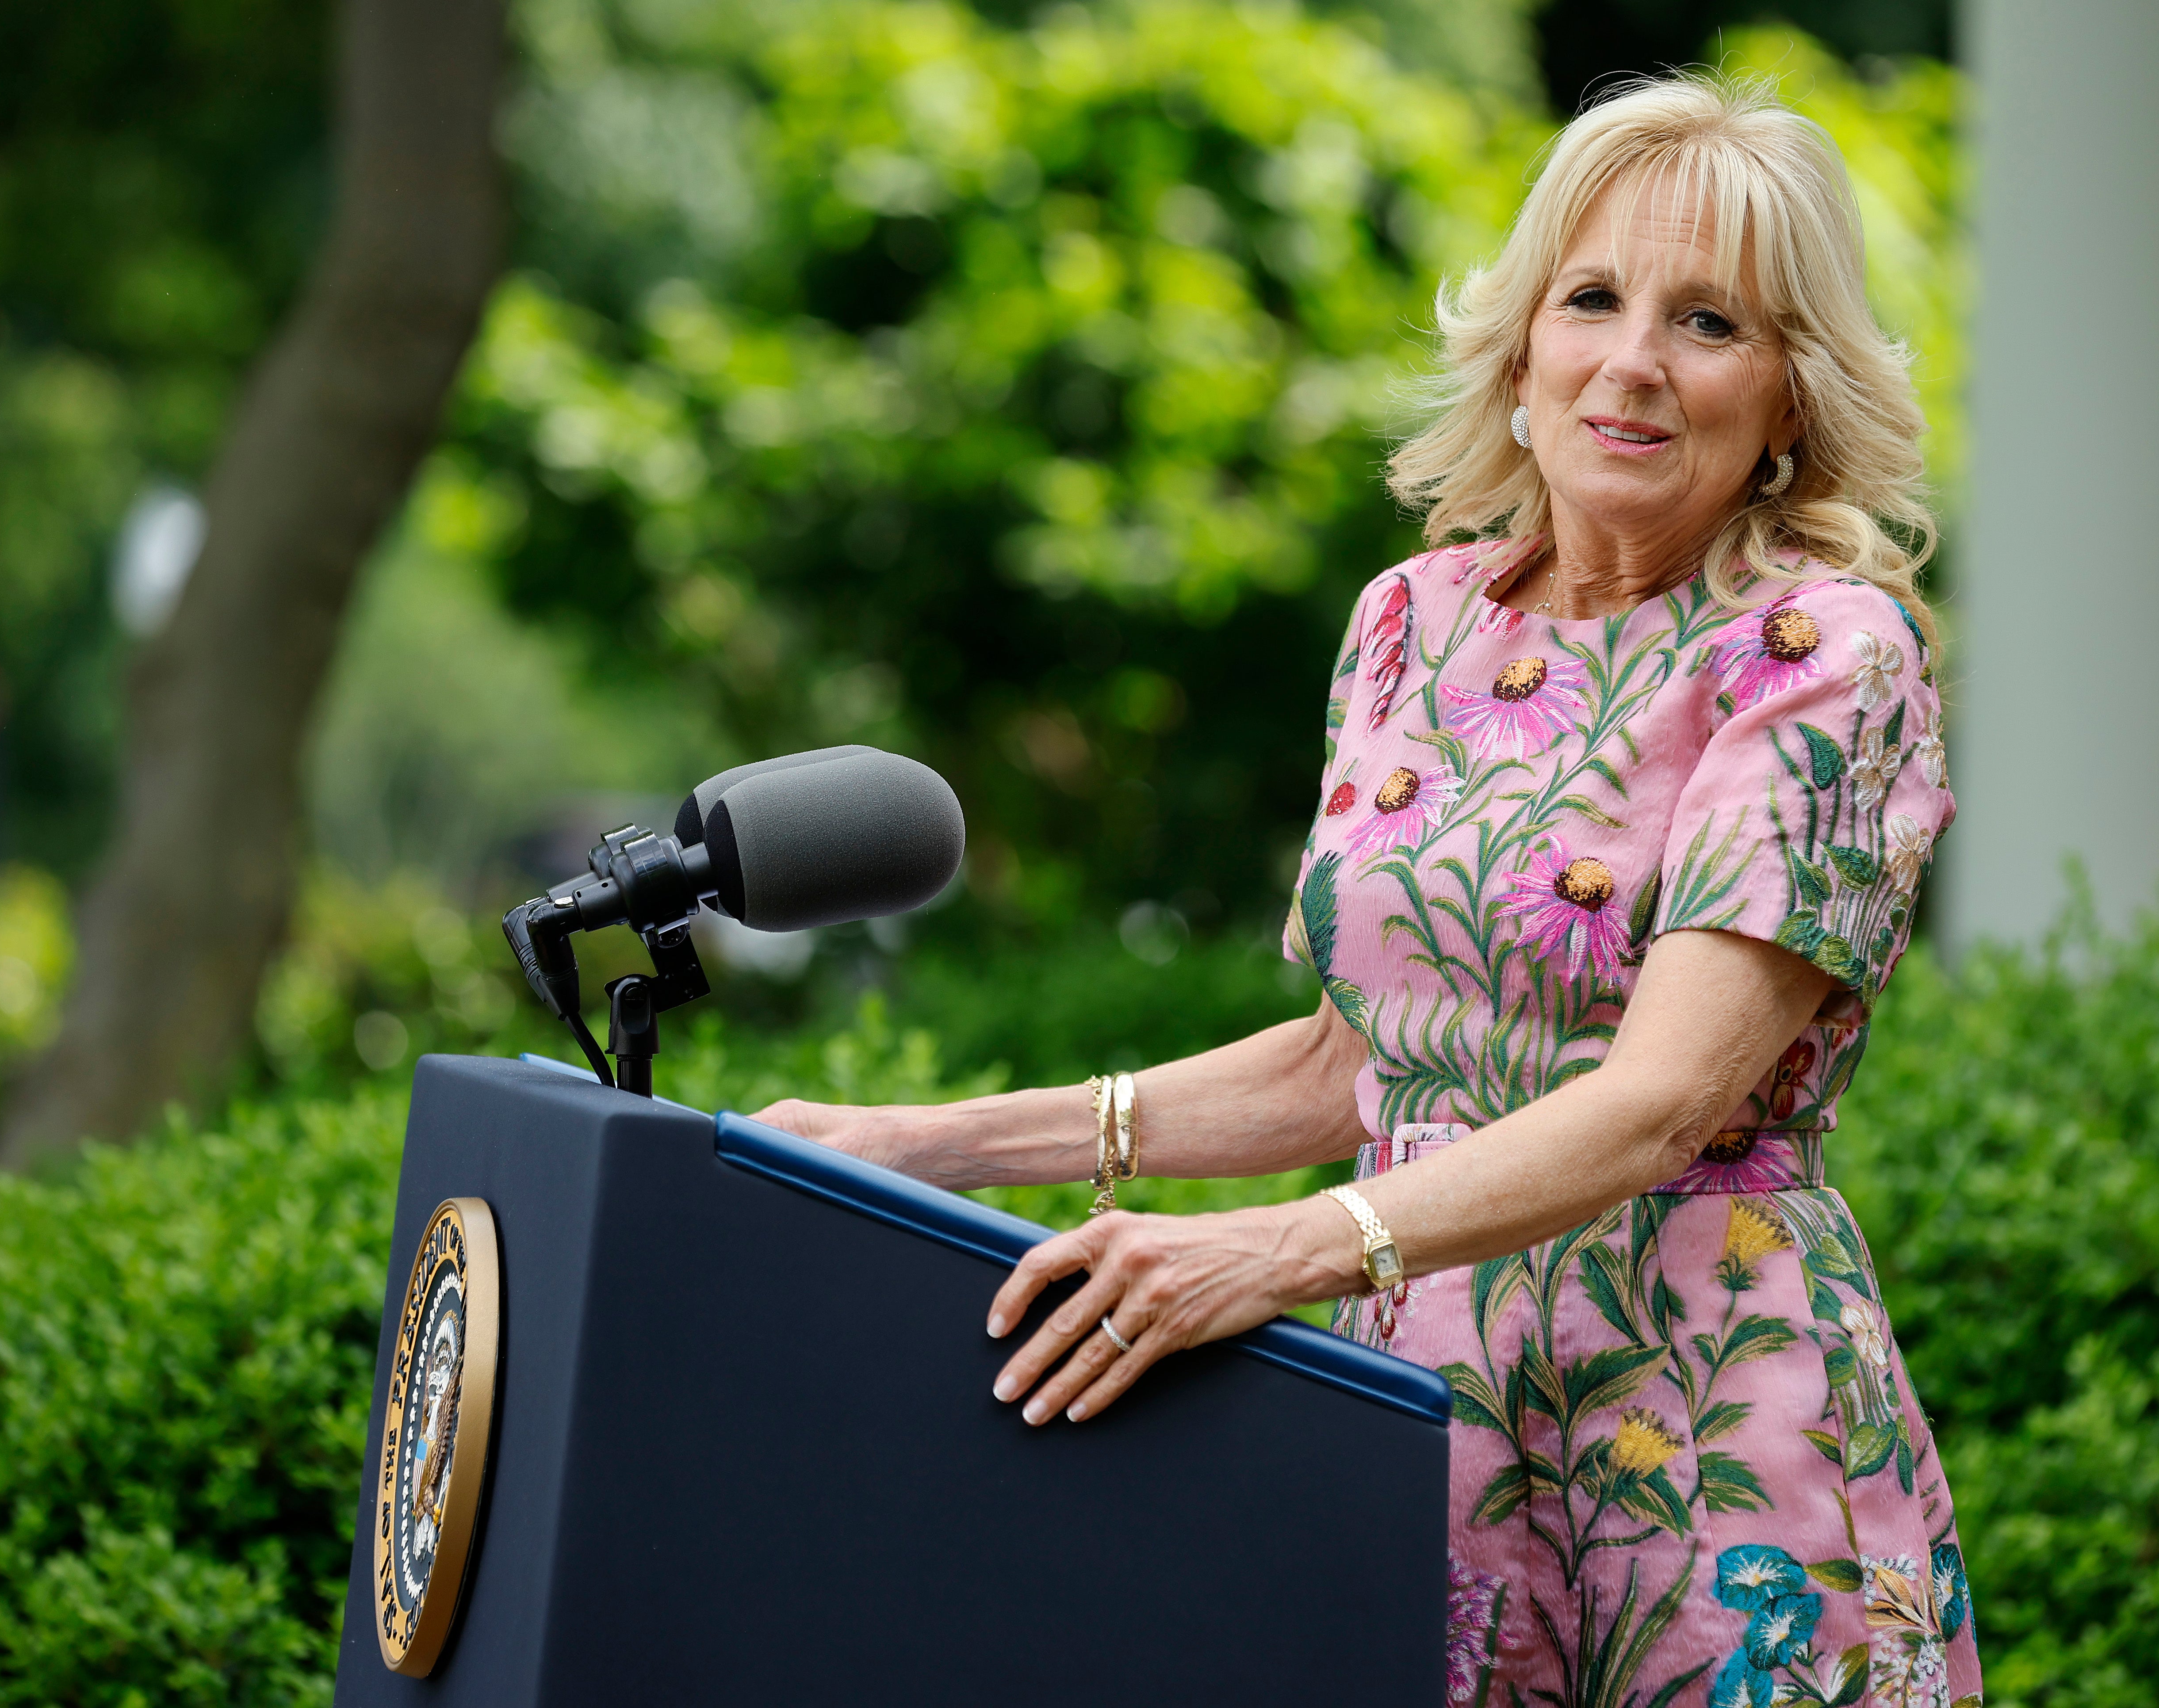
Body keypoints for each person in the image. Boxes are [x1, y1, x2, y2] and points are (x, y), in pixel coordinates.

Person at [761, 72, 1979, 1708]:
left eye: (1707, 323)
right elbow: (1353, 1067)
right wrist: (915, 1146)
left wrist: (1272, 1253)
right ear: (1521, 340)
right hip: (1415, 1427)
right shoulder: (1416, 621)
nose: (1629, 363)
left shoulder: (1822, 653)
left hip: (1711, 1447)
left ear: (1789, 398)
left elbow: (1658, 1109)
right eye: (1591, 299)